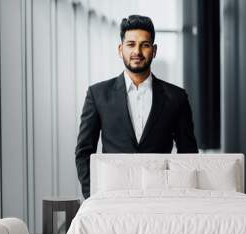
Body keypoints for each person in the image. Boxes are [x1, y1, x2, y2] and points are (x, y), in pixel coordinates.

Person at [75, 15, 198, 199]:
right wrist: (92, 195)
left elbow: (188, 154)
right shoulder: (98, 94)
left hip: (162, 197)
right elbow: (84, 151)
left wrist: (179, 195)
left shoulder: (176, 97)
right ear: (120, 49)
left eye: (145, 45)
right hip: (113, 197)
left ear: (154, 50)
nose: (137, 51)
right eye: (131, 44)